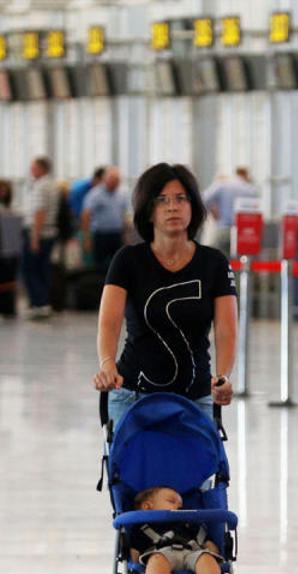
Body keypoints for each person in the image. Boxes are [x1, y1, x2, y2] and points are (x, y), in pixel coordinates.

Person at [91, 163, 237, 426]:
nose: (173, 207)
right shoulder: (128, 260)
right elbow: (109, 321)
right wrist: (107, 364)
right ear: (149, 211)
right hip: (133, 396)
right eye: (162, 200)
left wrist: (223, 377)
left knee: (193, 468)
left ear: (194, 208)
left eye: (181, 199)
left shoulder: (214, 263)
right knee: (135, 468)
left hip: (196, 399)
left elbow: (226, 328)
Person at [20, 156, 59, 319]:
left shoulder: (41, 186)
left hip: (38, 234)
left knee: (30, 269)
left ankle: (38, 303)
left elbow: (39, 212)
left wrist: (35, 237)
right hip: (48, 234)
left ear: (42, 169)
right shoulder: (51, 185)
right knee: (43, 269)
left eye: (33, 167)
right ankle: (44, 303)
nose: (31, 170)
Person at [81, 167, 131, 275]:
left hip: (116, 235)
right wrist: (87, 238)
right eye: (112, 179)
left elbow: (123, 215)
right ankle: (99, 290)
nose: (115, 183)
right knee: (99, 267)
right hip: (100, 235)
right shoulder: (95, 194)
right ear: (105, 179)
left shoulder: (122, 194)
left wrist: (126, 235)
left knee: (118, 265)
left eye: (117, 180)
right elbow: (86, 216)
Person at [201, 167, 259, 254]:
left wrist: (212, 211)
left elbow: (202, 200)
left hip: (223, 230)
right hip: (244, 235)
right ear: (246, 175)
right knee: (239, 264)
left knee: (219, 263)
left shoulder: (222, 185)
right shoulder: (251, 191)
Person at [0, 180, 18, 318]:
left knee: (8, 279)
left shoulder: (12, 208)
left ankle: (8, 308)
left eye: (4, 189)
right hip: (5, 248)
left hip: (10, 250)